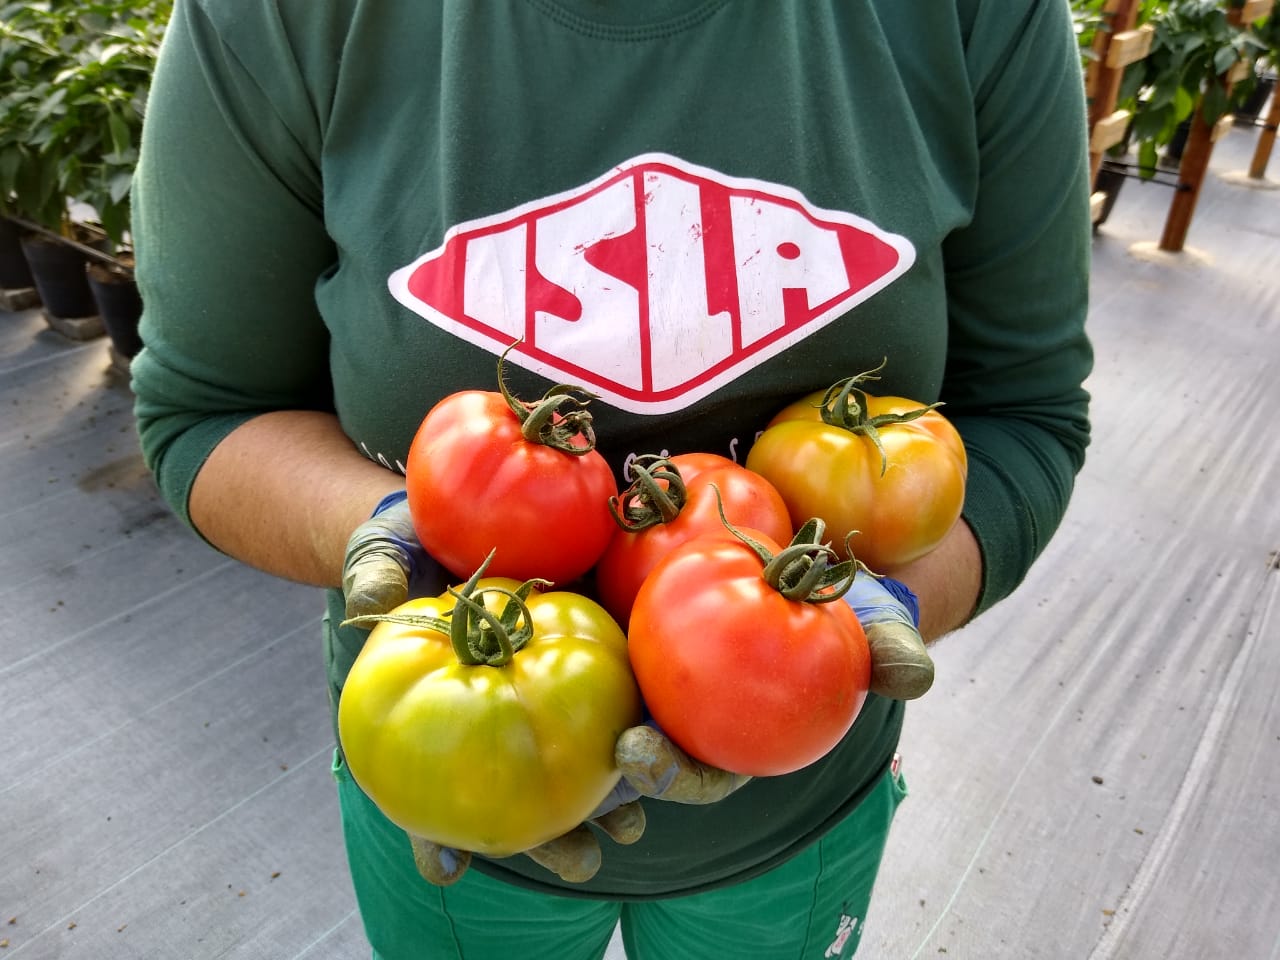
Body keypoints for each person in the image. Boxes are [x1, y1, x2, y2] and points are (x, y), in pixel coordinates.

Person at [129, 1, 1094, 957]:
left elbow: (1026, 413)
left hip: (793, 816)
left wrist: (854, 633)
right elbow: (205, 411)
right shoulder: (277, 17)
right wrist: (390, 526)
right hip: (451, 804)